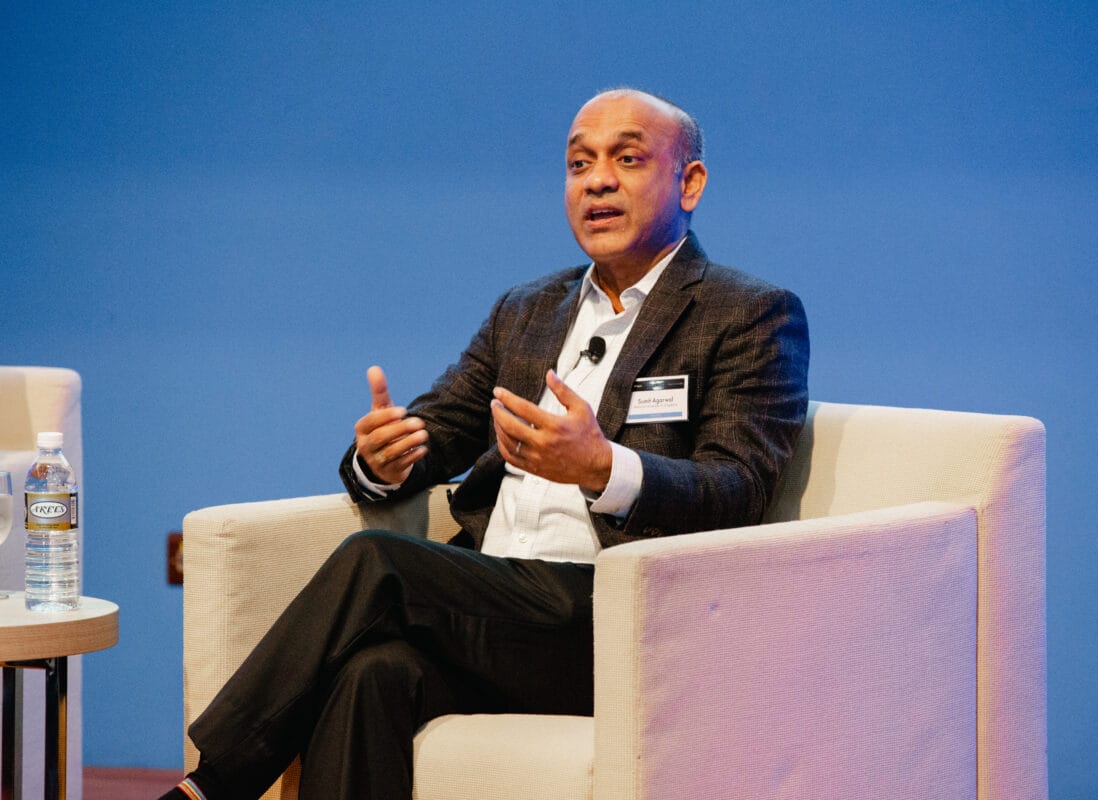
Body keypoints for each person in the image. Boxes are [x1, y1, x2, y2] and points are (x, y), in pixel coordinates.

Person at [162, 87, 809, 800]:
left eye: (626, 159)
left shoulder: (748, 313)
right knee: (370, 675)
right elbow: (435, 431)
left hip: (614, 614)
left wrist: (603, 468)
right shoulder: (528, 310)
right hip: (498, 603)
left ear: (690, 183)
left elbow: (740, 488)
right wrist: (381, 460)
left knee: (378, 561)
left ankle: (212, 786)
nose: (597, 181)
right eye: (579, 163)